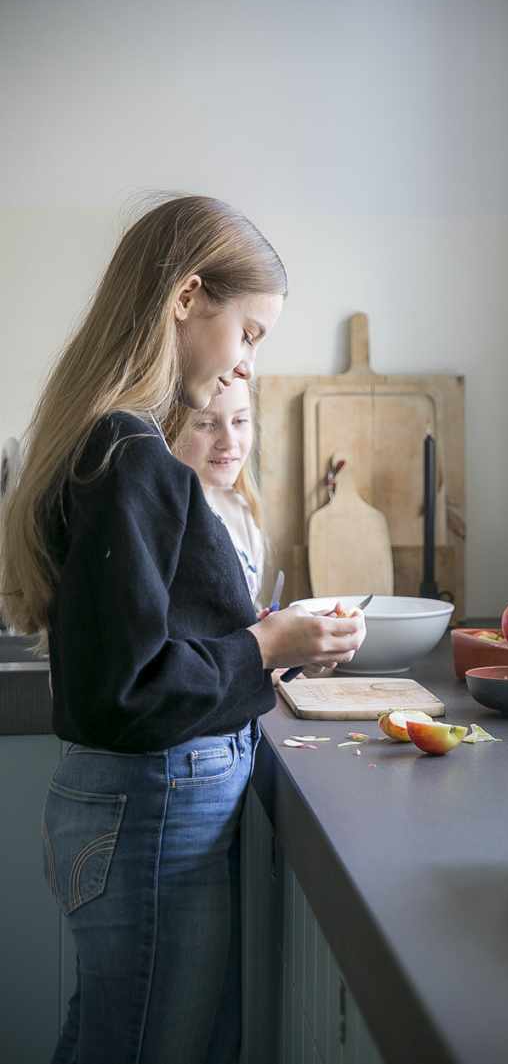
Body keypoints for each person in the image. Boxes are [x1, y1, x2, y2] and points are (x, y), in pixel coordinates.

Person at [0, 194, 366, 1064]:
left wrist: (264, 642)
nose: (245, 364)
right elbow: (122, 690)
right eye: (248, 333)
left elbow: (148, 643)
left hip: (145, 811)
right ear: (187, 297)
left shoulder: (114, 445)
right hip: (153, 811)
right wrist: (270, 646)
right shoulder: (131, 453)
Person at [175, 377, 265, 608]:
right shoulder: (165, 523)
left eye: (240, 421)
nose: (228, 441)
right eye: (205, 424)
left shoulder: (241, 511)